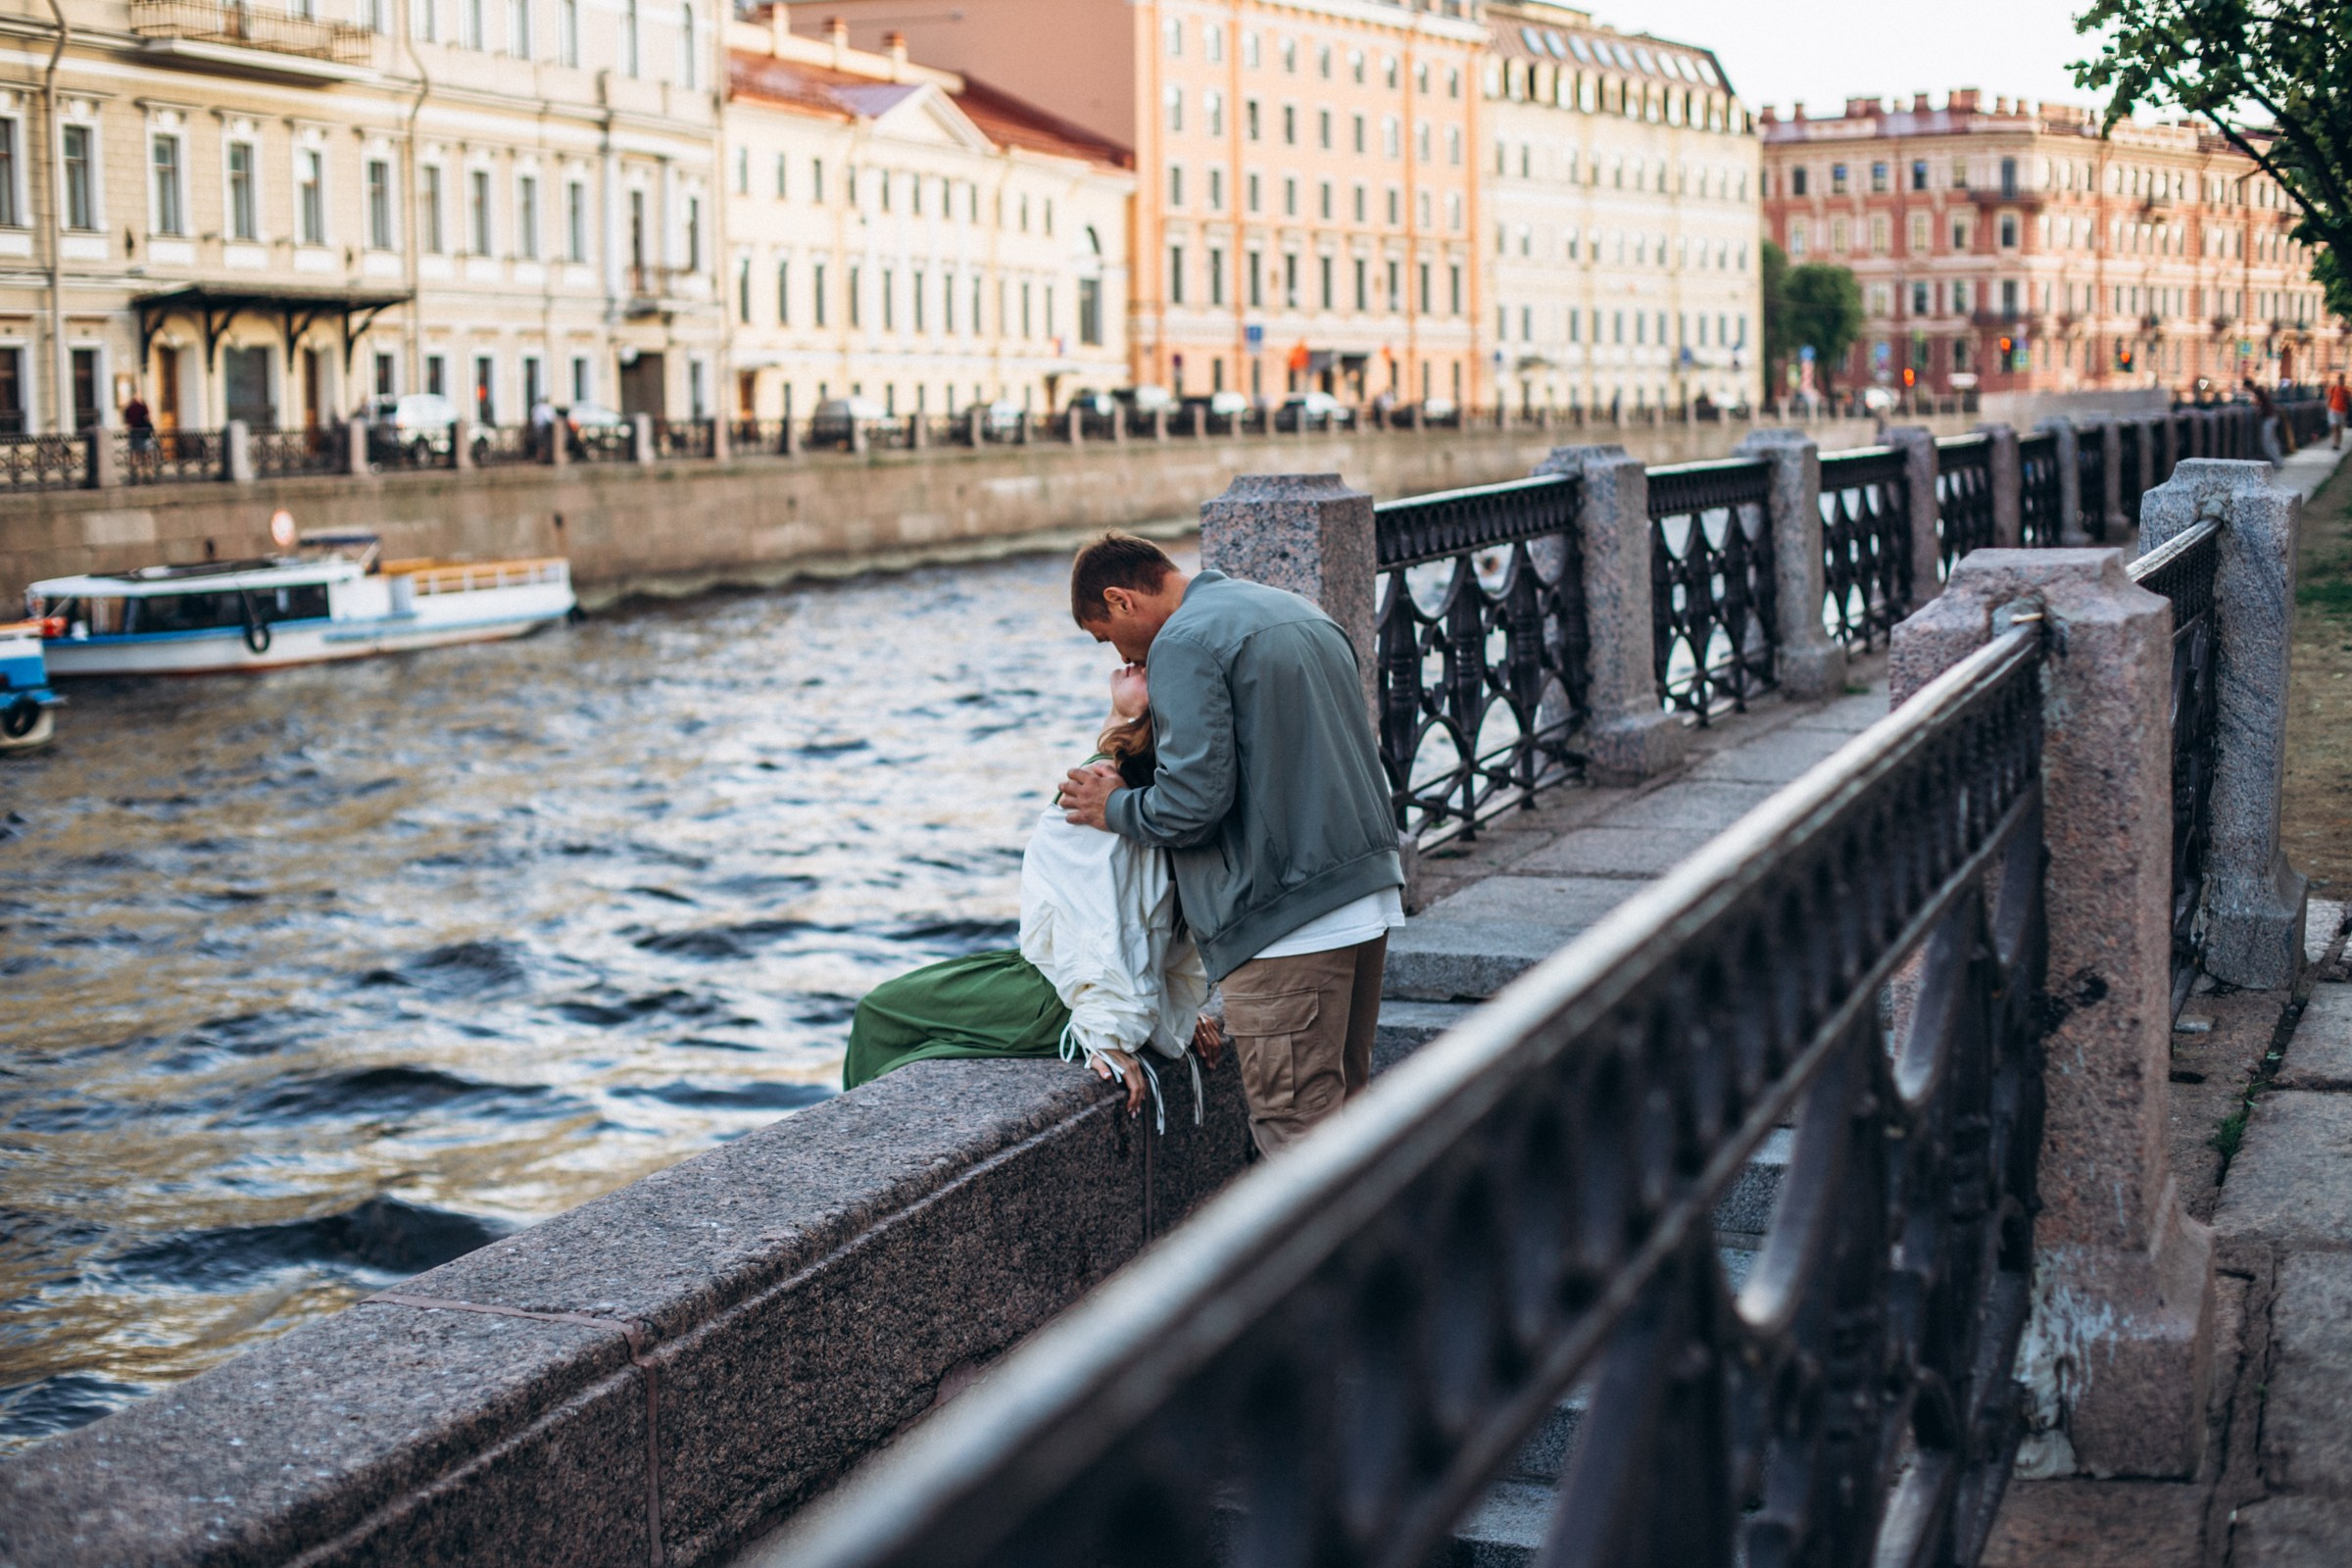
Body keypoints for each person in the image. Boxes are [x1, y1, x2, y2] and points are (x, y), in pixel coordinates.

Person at [1059, 534, 1403, 1157]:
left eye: (1105, 635)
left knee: (1297, 1139)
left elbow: (1190, 806)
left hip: (1284, 921)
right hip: (1365, 896)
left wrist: (1109, 807)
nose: (1118, 653)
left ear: (1120, 600)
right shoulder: (1294, 609)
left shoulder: (1184, 644)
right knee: (1348, 1128)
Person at [843, 669, 1217, 1125]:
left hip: (1057, 992)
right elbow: (1160, 908)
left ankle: (863, 1144)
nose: (1125, 664)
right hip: (1100, 979)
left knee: (880, 1013)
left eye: (1143, 663)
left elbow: (1106, 915)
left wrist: (1106, 1033)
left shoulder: (1099, 785)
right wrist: (1173, 1007)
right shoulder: (1168, 788)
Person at [2328, 374, 2348, 452]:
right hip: (2333, 410)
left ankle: (2338, 444)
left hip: (2342, 411)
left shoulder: (2346, 390)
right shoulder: (2333, 388)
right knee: (2334, 426)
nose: (2341, 381)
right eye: (2340, 379)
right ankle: (2334, 443)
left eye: (2342, 379)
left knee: (2339, 428)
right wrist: (2327, 407)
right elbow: (2329, 398)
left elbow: (2347, 401)